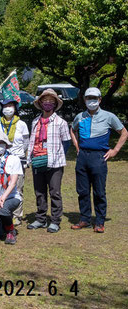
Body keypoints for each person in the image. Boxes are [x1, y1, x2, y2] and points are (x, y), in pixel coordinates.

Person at [70, 87, 128, 233]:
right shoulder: (80, 116)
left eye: (94, 98)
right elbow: (72, 129)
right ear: (84, 100)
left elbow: (124, 132)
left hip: (99, 156)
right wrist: (77, 147)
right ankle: (85, 219)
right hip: (83, 156)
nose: (91, 101)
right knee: (82, 190)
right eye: (89, 98)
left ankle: (100, 221)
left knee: (99, 191)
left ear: (100, 100)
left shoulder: (109, 116)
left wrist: (115, 151)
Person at [27, 89, 71, 233]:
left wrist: (59, 156)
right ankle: (40, 218)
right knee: (39, 191)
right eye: (45, 100)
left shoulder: (61, 122)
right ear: (40, 103)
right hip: (38, 160)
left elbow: (66, 142)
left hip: (54, 163)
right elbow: (32, 142)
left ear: (55, 104)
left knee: (55, 192)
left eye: (51, 101)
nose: (47, 103)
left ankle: (55, 220)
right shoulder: (35, 122)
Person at [0, 99, 29, 226]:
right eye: (5, 106)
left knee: (17, 188)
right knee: (1, 186)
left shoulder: (22, 124)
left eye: (10, 106)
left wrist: (18, 154)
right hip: (1, 160)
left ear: (15, 108)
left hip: (18, 159)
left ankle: (17, 216)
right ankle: (2, 210)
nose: (8, 108)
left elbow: (26, 142)